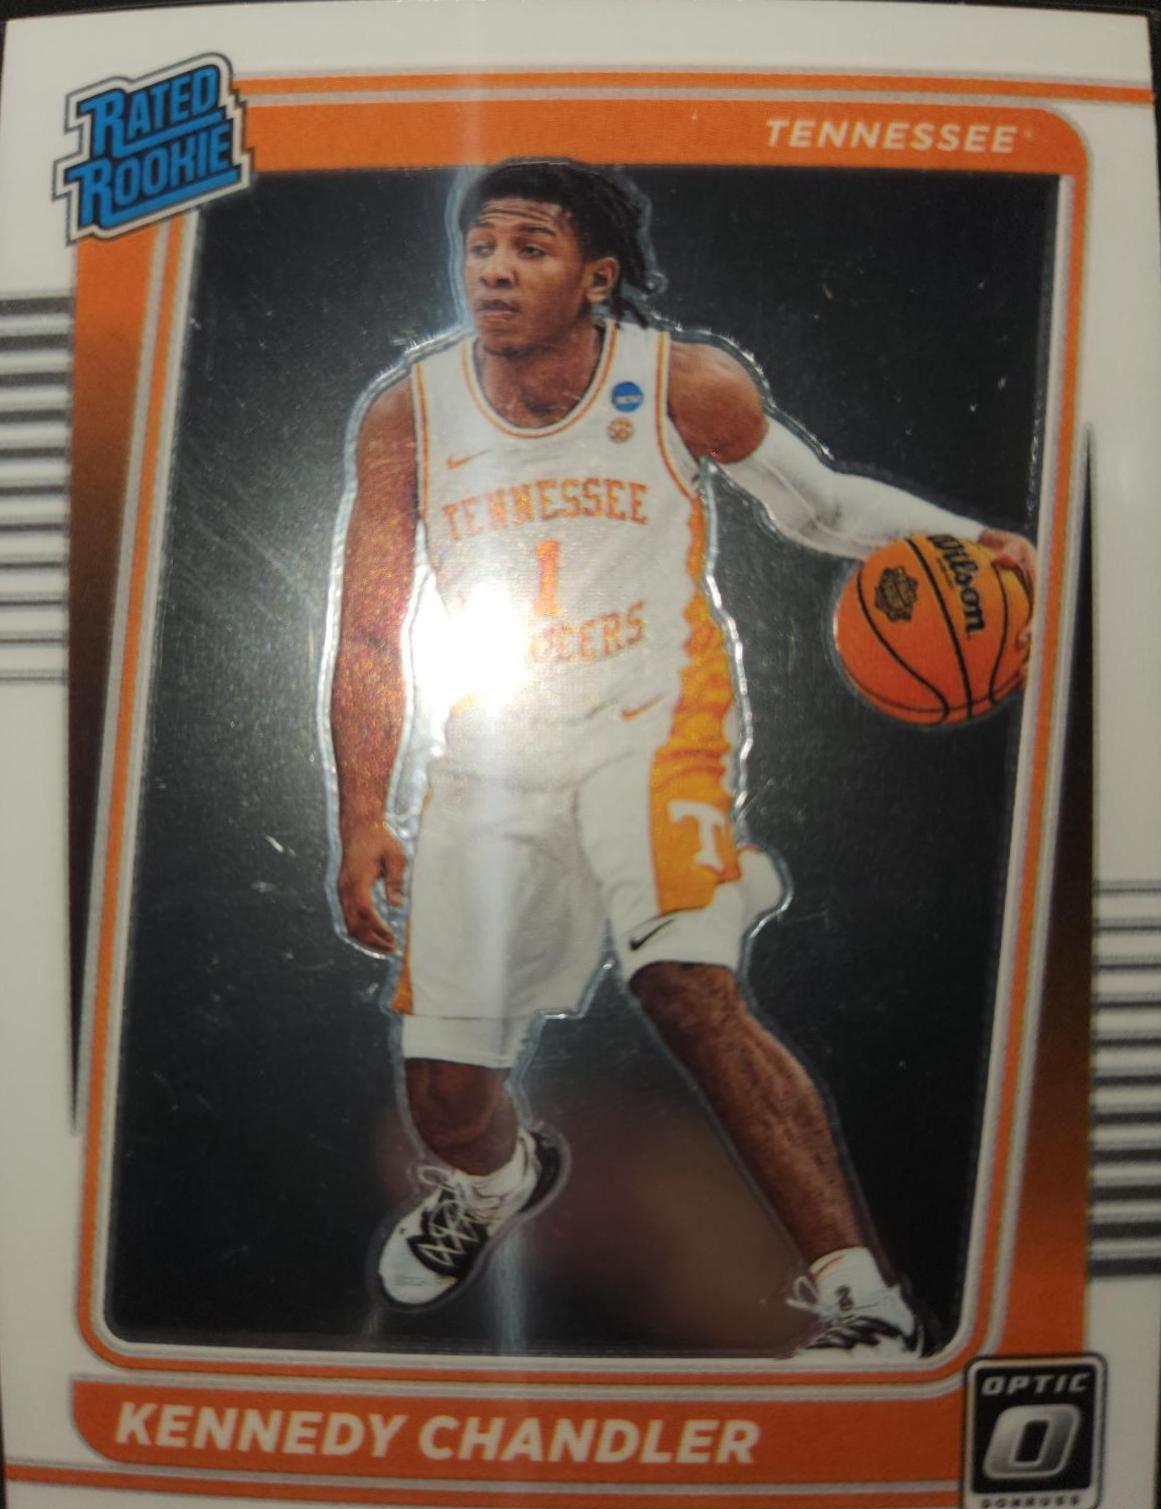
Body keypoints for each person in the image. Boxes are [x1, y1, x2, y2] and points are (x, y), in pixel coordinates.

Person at [329, 158, 1036, 1359]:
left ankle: (861, 1301)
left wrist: (971, 540)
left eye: (531, 247)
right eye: (481, 245)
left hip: (655, 722)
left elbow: (818, 508)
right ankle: (497, 1180)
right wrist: (360, 817)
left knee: (686, 991)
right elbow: (368, 631)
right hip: (494, 756)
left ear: (596, 276)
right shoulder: (409, 412)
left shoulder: (681, 381)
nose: (495, 268)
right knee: (444, 1094)